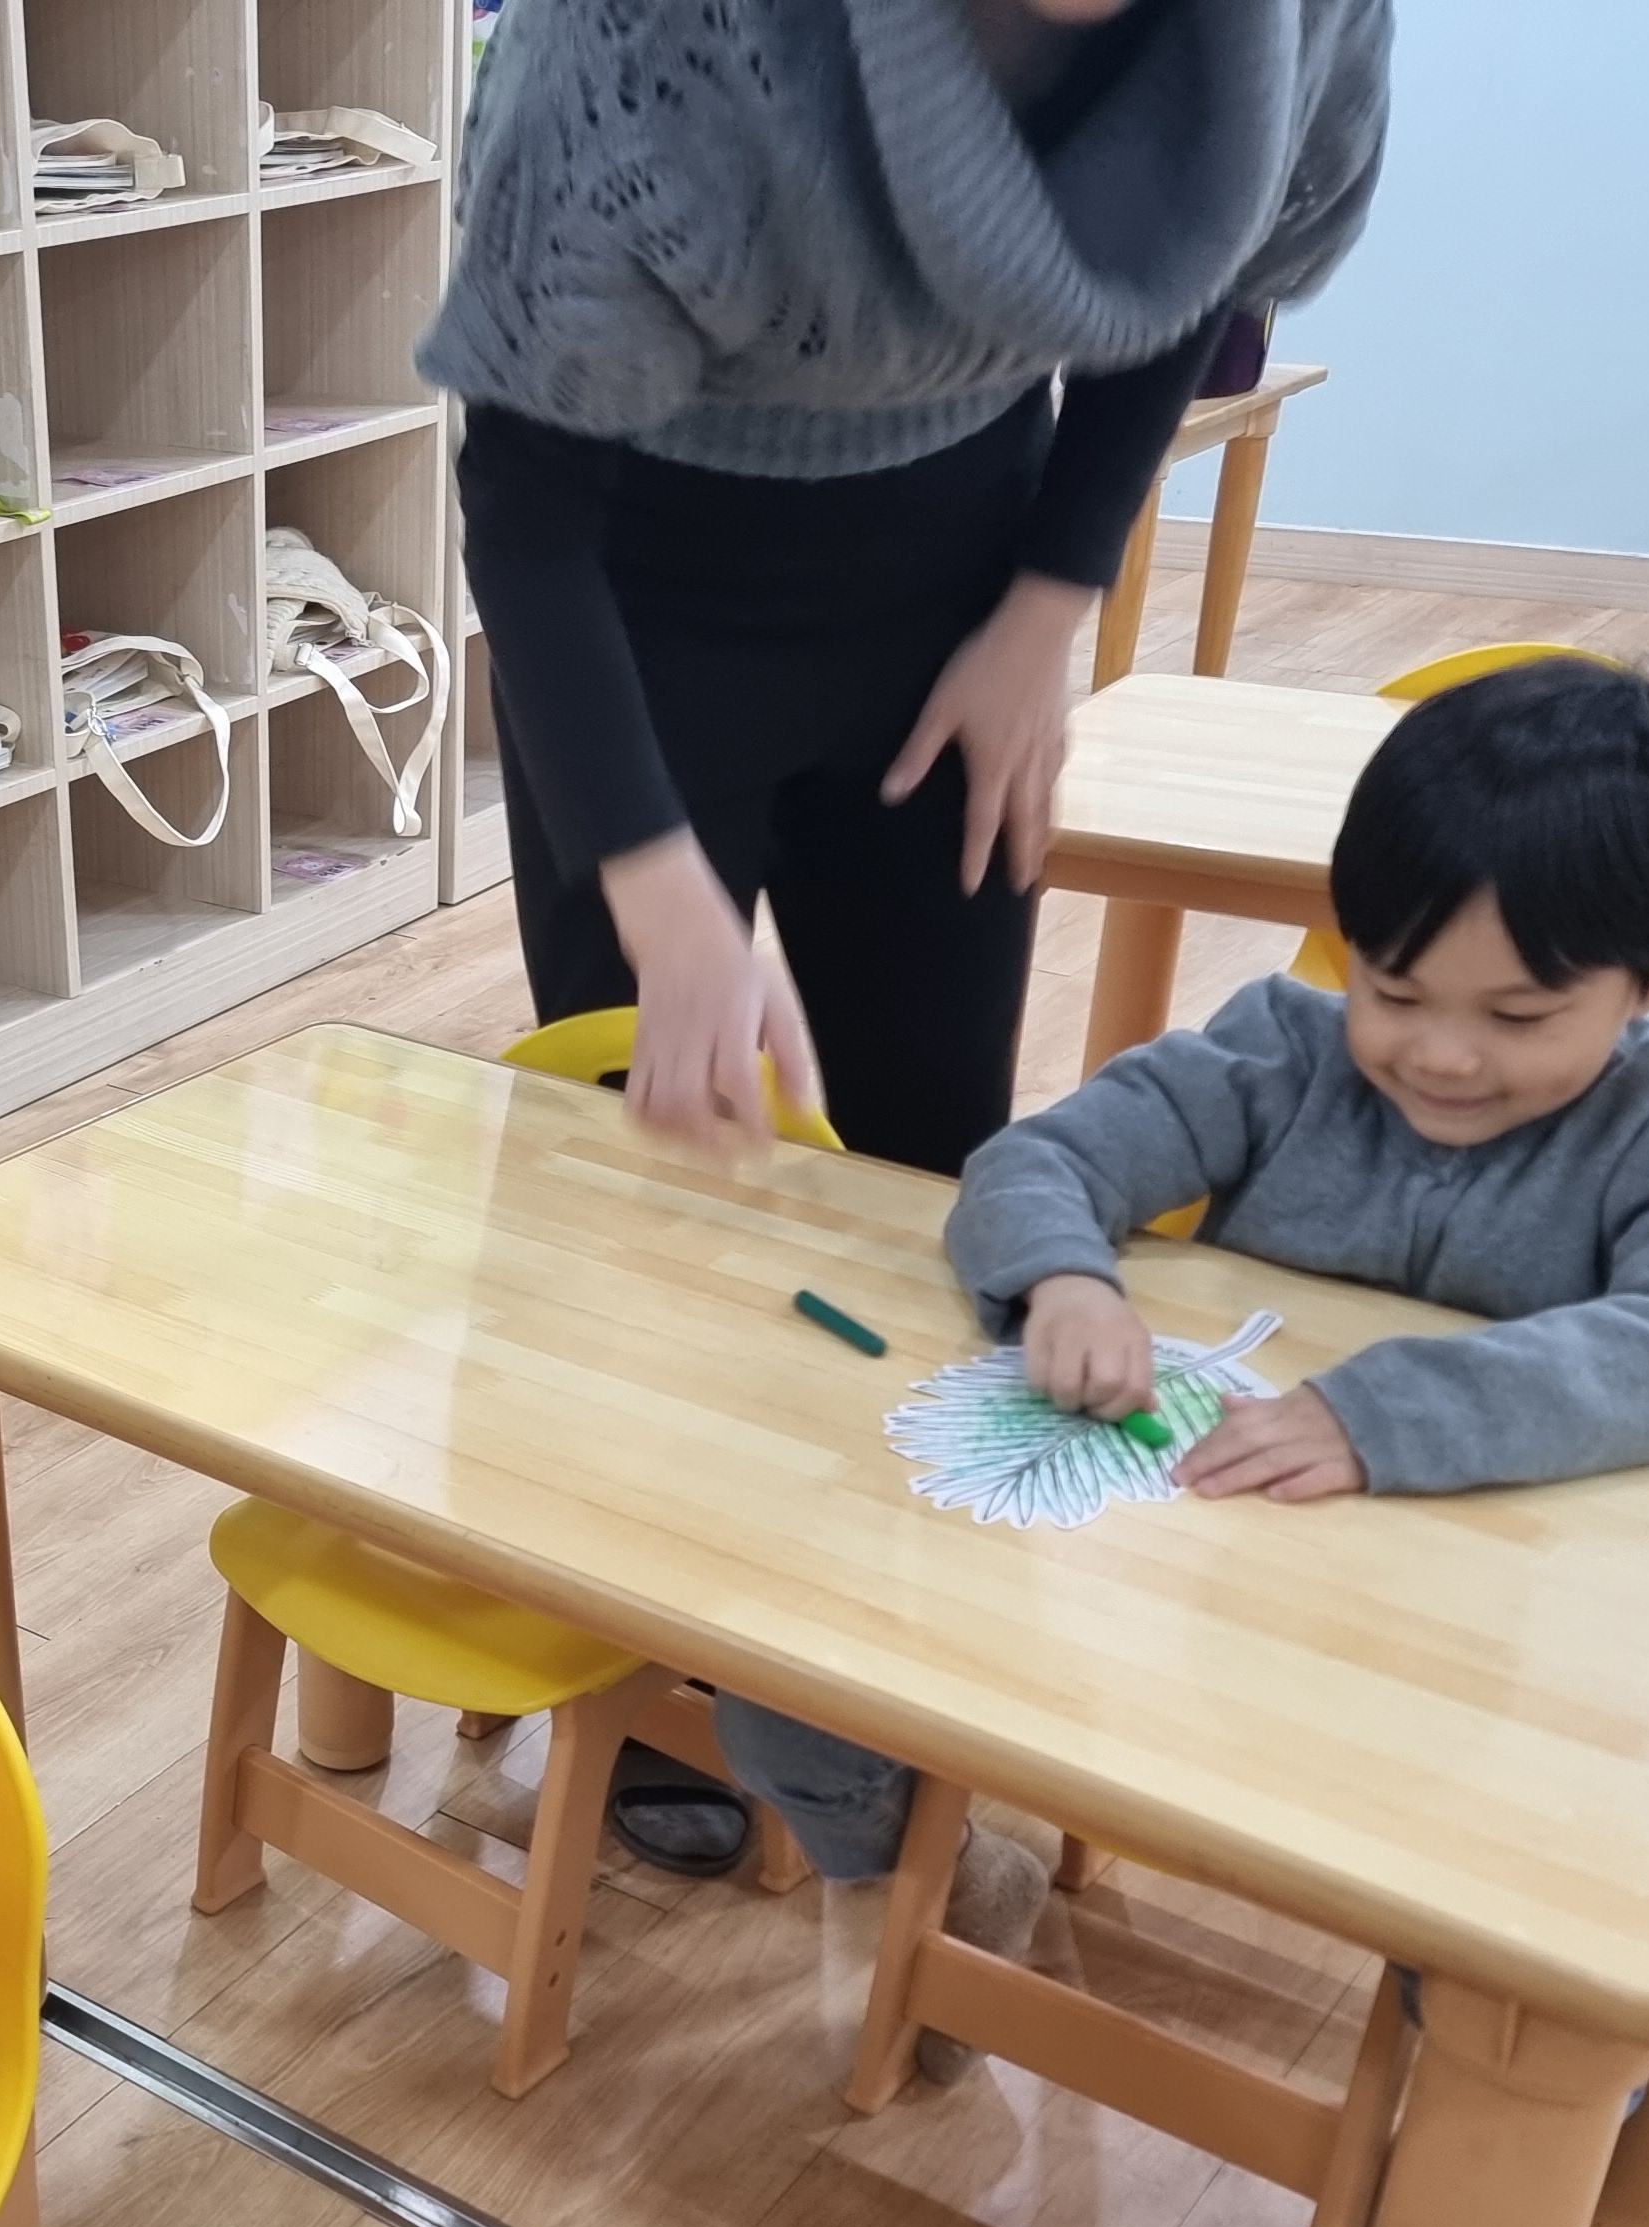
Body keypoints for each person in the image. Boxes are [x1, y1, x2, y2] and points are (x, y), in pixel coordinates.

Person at [420, 0, 1390, 1871]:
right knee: (647, 1170)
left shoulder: (1277, 26)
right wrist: (658, 891)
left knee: (938, 1139)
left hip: (958, 566)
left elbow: (1179, 264)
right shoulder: (652, 40)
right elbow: (524, 511)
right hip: (635, 582)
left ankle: (893, 1630)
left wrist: (1047, 606)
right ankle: (657, 1666)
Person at [715, 657, 1649, 1986]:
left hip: (1467, 1658)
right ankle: (931, 1875)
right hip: (1187, 1587)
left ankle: (1490, 2059)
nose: (1442, 1054)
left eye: (1521, 1016)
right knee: (784, 1679)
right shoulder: (1283, 1050)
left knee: (1564, 1912)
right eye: (1394, 990)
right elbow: (1039, 1161)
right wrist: (1065, 1279)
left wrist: (1385, 1413)